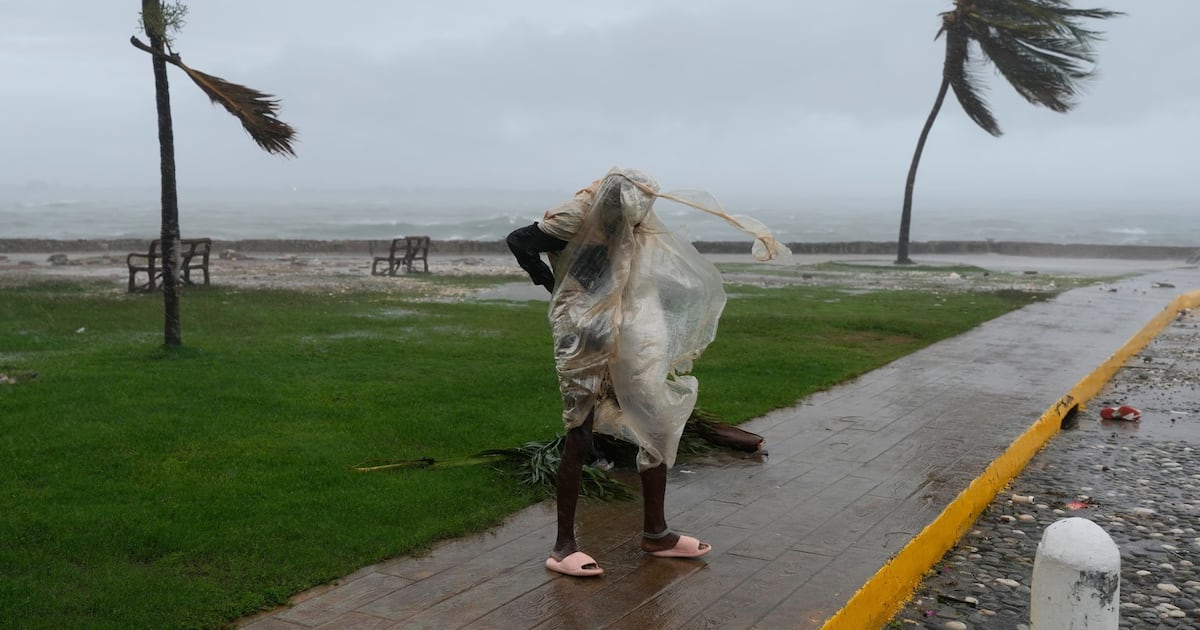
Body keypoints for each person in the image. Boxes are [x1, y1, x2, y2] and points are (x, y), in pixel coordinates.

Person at [507, 168, 727, 577]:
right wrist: (552, 283)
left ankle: (656, 534)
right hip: (584, 327)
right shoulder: (575, 217)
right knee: (581, 429)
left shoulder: (637, 216)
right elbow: (520, 240)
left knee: (657, 420)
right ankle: (562, 547)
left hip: (629, 322)